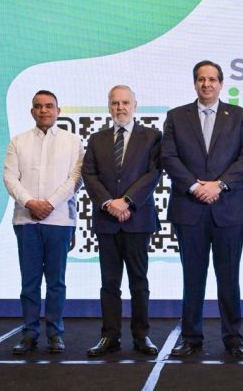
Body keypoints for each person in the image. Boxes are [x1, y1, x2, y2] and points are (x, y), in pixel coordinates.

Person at [161, 60, 243, 358]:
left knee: (229, 278)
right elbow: (169, 157)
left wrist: (219, 185)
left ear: (221, 83)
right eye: (201, 79)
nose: (207, 84)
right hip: (189, 209)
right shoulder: (176, 116)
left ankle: (233, 339)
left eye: (212, 79)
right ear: (195, 83)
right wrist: (194, 186)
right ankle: (191, 338)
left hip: (228, 210)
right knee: (193, 278)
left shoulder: (238, 116)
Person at [83, 85, 162, 357]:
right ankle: (109, 336)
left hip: (137, 220)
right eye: (115, 103)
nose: (120, 108)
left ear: (135, 105)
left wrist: (127, 201)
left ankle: (141, 336)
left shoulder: (152, 137)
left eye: (125, 102)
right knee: (109, 283)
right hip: (107, 221)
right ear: (109, 107)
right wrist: (109, 203)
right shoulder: (96, 139)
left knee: (139, 282)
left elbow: (154, 173)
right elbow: (89, 175)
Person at [4, 90, 83, 355]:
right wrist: (30, 203)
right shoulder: (18, 141)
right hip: (26, 220)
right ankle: (29, 333)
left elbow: (75, 179)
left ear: (58, 111)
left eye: (49, 106)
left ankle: (55, 333)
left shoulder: (73, 141)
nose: (44, 110)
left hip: (59, 220)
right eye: (38, 106)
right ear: (32, 111)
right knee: (29, 281)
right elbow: (10, 178)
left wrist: (49, 203)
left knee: (56, 282)